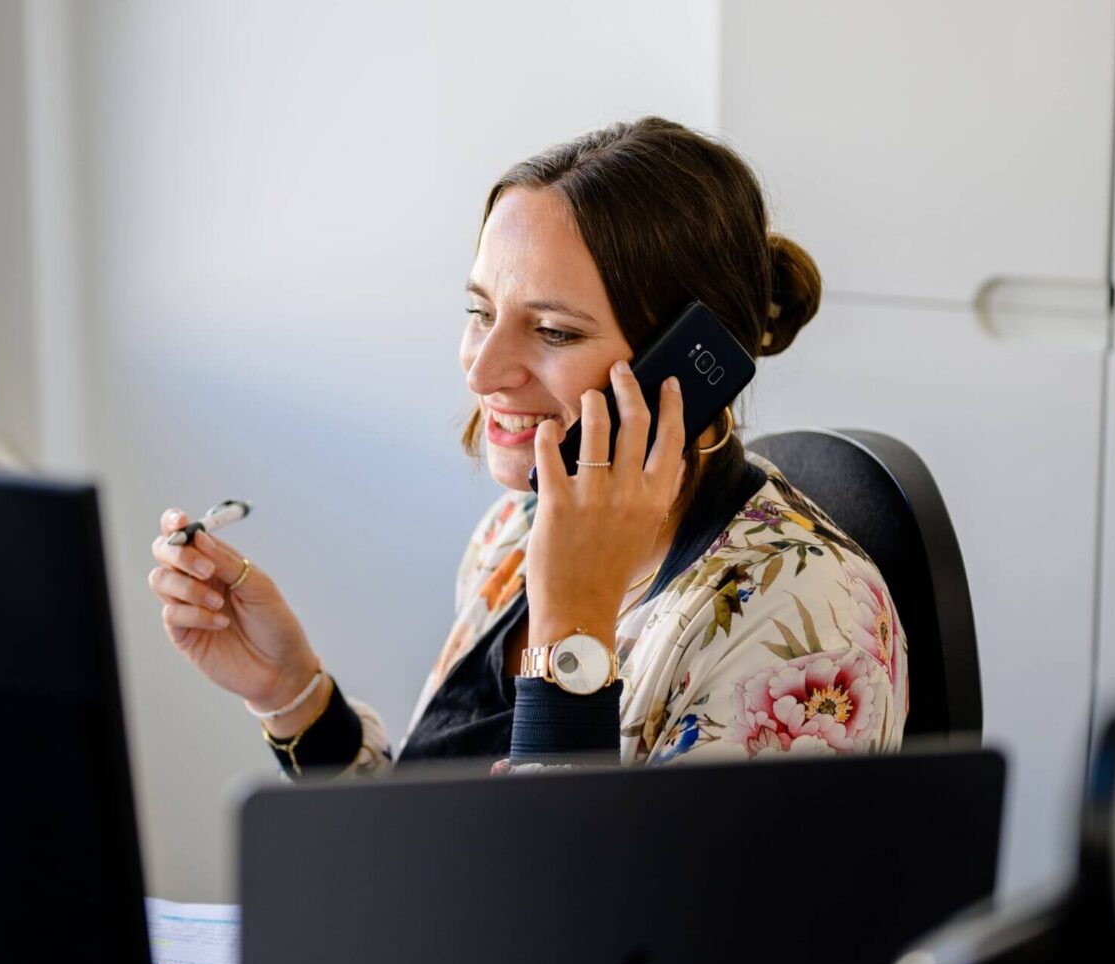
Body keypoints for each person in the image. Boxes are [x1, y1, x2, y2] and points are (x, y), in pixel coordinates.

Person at [147, 116, 908, 776]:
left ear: (687, 365)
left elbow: (564, 897)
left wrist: (571, 629)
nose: (481, 371)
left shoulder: (810, 628)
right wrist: (290, 692)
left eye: (553, 331)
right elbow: (433, 856)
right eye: (480, 312)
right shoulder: (515, 531)